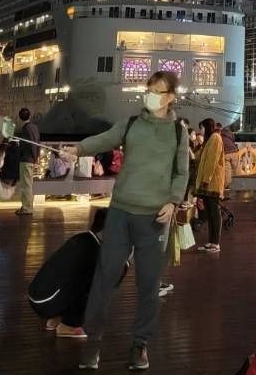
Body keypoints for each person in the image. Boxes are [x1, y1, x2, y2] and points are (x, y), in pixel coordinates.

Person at [76, 70, 192, 372]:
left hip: (155, 219)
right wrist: (77, 148)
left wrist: (173, 200)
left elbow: (181, 173)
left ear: (170, 97)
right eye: (149, 88)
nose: (151, 94)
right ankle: (92, 343)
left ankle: (140, 345)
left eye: (158, 90)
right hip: (120, 213)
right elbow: (104, 139)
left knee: (149, 285)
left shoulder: (179, 133)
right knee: (104, 276)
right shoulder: (130, 124)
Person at [28, 208, 122, 339]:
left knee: (80, 278)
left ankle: (57, 317)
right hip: (47, 303)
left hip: (38, 297)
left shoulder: (83, 238)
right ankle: (68, 326)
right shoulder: (94, 251)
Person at [194, 118, 227, 253]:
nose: (200, 132)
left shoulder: (215, 138)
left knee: (214, 213)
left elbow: (211, 161)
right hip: (207, 184)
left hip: (211, 183)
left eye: (201, 128)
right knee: (210, 213)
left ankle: (215, 243)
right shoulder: (209, 139)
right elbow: (200, 158)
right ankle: (211, 242)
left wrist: (206, 179)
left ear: (207, 127)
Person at [14, 106, 42, 214]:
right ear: (30, 116)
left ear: (20, 118)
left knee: (26, 185)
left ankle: (27, 208)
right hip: (32, 159)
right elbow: (37, 143)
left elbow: (29, 145)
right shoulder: (35, 127)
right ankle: (27, 206)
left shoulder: (25, 129)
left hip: (26, 159)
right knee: (29, 183)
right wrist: (36, 157)